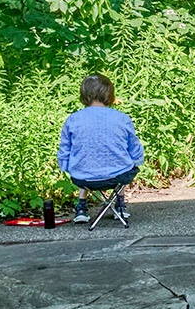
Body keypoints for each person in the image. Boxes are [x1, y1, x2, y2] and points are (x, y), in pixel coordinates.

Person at [58, 74, 145, 223]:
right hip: (118, 176)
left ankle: (81, 206)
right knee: (124, 161)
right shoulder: (122, 118)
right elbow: (135, 149)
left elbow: (65, 150)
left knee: (84, 158)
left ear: (84, 94)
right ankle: (120, 204)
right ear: (109, 94)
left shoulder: (73, 119)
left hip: (82, 177)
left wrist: (66, 167)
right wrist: (137, 162)